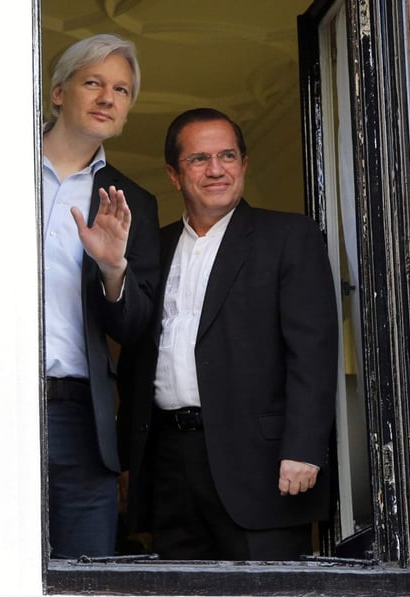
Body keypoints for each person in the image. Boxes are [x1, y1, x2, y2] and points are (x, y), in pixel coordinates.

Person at [117, 107, 338, 561]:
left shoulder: (288, 236)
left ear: (244, 164)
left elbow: (312, 353)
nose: (216, 169)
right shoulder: (152, 247)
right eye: (199, 159)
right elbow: (133, 350)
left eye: (228, 156)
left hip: (263, 466)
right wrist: (128, 459)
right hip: (169, 462)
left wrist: (304, 448)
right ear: (174, 176)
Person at [42, 34, 160, 559]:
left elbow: (135, 329)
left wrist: (114, 269)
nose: (108, 97)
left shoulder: (132, 201)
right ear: (58, 92)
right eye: (93, 82)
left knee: (83, 577)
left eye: (122, 89)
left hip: (77, 415)